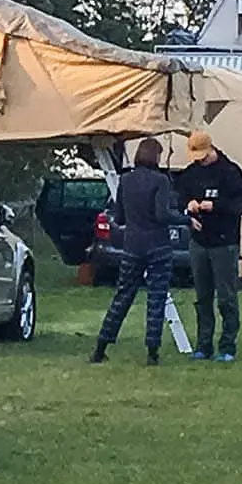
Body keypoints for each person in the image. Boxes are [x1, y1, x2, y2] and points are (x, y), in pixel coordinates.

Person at [87, 138, 180, 365]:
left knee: (123, 296)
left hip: (132, 246)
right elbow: (162, 214)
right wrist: (185, 219)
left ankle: (101, 347)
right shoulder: (161, 180)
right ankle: (152, 353)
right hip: (158, 246)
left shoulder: (125, 180)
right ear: (156, 157)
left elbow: (119, 218)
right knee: (156, 298)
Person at [173, 129, 242, 362]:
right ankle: (203, 344)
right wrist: (189, 207)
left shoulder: (230, 172)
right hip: (199, 242)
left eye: (202, 156)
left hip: (224, 243)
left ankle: (227, 346)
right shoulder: (189, 174)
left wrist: (215, 206)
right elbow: (178, 198)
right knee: (202, 296)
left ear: (210, 150)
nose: (199, 161)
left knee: (226, 296)